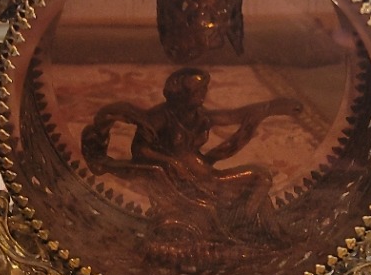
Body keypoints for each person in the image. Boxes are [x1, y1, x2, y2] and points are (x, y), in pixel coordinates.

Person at [81, 67, 302, 244]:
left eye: (203, 89)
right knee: (258, 179)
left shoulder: (200, 116)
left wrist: (270, 108)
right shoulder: (160, 117)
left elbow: (233, 116)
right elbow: (140, 151)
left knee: (260, 180)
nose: (203, 95)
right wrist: (172, 163)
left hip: (207, 177)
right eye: (198, 91)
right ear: (180, 94)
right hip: (181, 186)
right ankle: (239, 231)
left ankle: (260, 233)